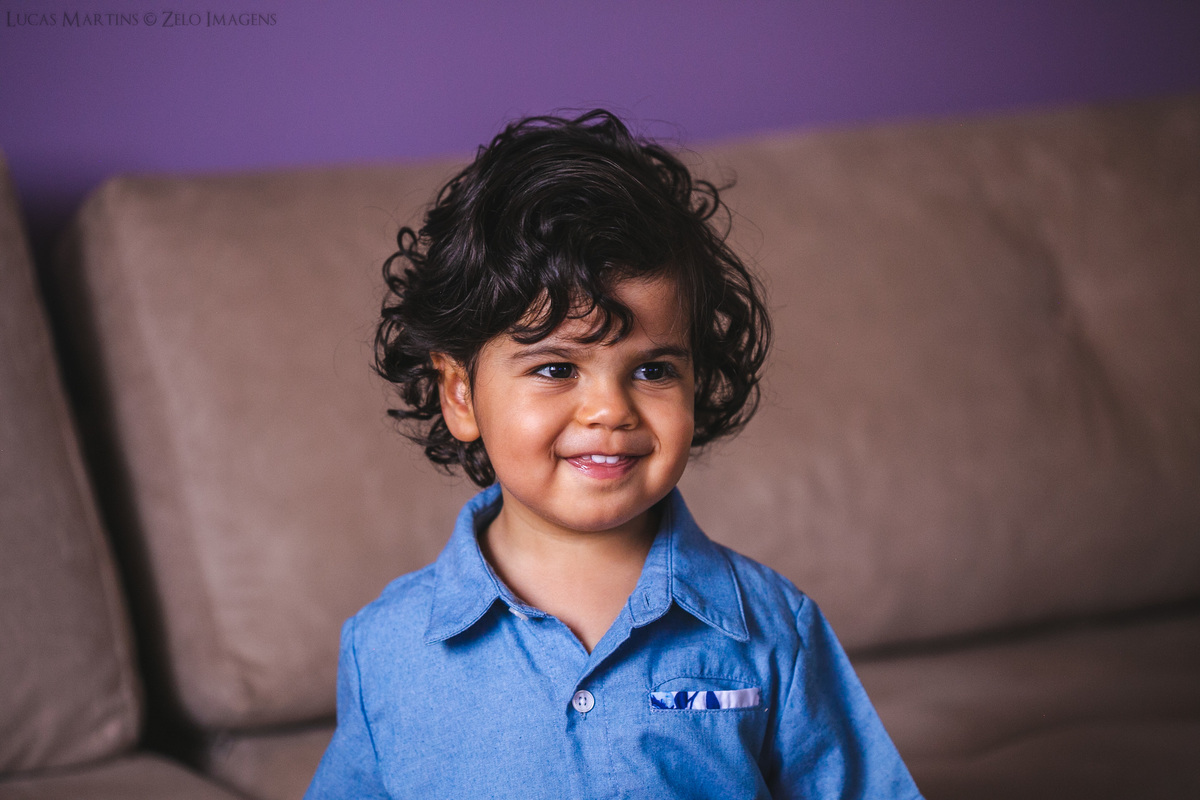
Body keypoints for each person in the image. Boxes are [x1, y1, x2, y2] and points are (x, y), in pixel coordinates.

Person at [305, 110, 922, 799]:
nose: (611, 410)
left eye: (654, 370)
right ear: (460, 396)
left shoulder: (774, 627)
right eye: (555, 369)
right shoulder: (386, 647)